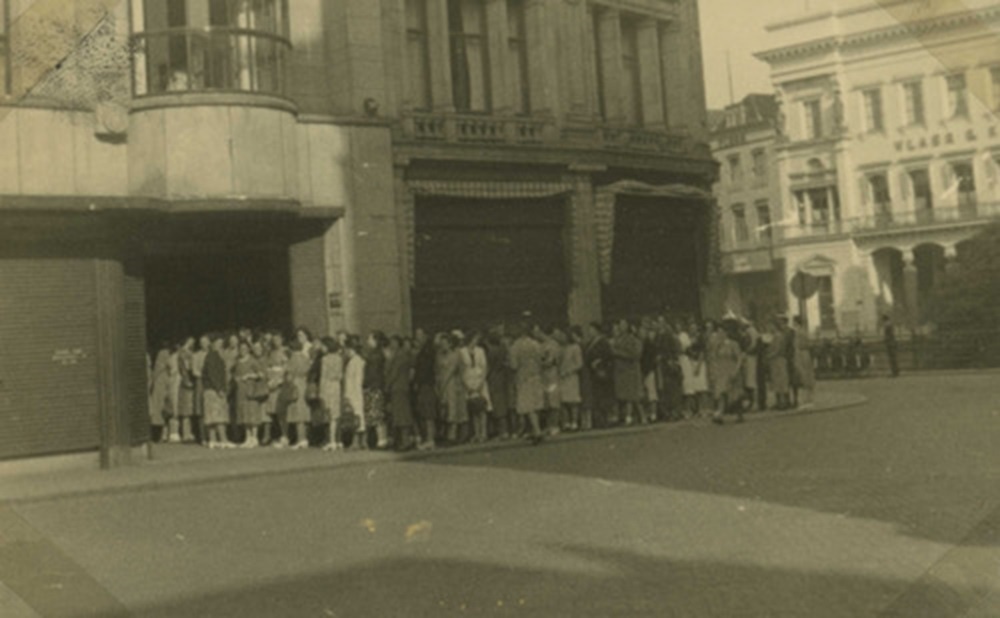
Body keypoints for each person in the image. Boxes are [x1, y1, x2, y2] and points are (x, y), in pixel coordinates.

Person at [508, 321, 545, 444]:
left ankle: (537, 431)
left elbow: (514, 365)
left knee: (528, 406)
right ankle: (536, 430)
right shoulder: (536, 344)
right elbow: (542, 359)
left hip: (523, 378)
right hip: (536, 376)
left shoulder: (515, 346)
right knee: (536, 404)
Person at [711, 319, 746, 425]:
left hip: (731, 369)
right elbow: (714, 358)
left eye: (721, 332)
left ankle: (739, 414)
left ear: (726, 333)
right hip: (721, 371)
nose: (719, 334)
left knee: (734, 394)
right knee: (722, 393)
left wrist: (737, 369)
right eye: (718, 332)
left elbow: (739, 357)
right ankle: (720, 414)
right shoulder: (718, 345)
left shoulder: (733, 344)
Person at [384, 335, 416, 450]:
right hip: (400, 387)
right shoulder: (400, 355)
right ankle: (402, 440)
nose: (391, 344)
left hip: (398, 388)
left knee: (401, 415)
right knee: (399, 415)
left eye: (393, 342)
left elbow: (393, 373)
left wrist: (387, 386)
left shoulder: (399, 356)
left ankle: (405, 441)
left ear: (398, 343)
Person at [460, 331, 491, 443]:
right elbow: (461, 370)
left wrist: (480, 384)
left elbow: (484, 367)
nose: (476, 341)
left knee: (482, 409)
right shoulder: (462, 352)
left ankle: (483, 433)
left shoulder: (480, 351)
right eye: (474, 339)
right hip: (468, 382)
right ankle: (477, 434)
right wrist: (467, 385)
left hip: (480, 381)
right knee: (473, 409)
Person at [234, 341, 266, 448]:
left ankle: (254, 437)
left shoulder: (253, 361)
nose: (243, 350)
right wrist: (237, 379)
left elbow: (261, 375)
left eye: (245, 348)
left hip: (251, 390)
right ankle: (247, 437)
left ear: (248, 349)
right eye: (241, 348)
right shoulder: (238, 362)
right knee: (244, 413)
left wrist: (249, 375)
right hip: (241, 390)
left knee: (252, 412)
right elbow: (235, 375)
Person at [436, 333, 466, 444]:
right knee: (444, 409)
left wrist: (443, 385)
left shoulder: (455, 354)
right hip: (442, 384)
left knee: (453, 409)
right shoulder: (439, 355)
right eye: (441, 343)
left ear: (450, 344)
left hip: (452, 384)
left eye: (445, 343)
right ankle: (445, 434)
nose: (443, 346)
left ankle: (452, 436)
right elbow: (437, 370)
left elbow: (452, 371)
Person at [611, 319, 643, 426]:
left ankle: (629, 417)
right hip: (619, 370)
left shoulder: (632, 339)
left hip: (629, 370)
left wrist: (617, 352)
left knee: (630, 395)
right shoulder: (617, 339)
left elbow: (635, 354)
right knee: (622, 396)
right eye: (620, 325)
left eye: (623, 325)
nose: (621, 327)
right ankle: (624, 416)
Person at [202, 334, 231, 449]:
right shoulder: (213, 356)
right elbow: (213, 374)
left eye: (221, 344)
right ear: (213, 344)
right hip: (214, 390)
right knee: (219, 416)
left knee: (211, 417)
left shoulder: (210, 356)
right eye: (218, 343)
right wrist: (219, 388)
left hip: (209, 389)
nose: (220, 346)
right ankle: (223, 440)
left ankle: (212, 440)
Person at [583, 322, 614, 429]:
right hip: (592, 372)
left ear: (596, 330)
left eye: (591, 329)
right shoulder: (590, 343)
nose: (589, 332)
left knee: (602, 396)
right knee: (596, 396)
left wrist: (600, 363)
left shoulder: (603, 342)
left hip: (601, 371)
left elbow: (608, 356)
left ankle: (604, 419)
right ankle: (598, 420)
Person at [412, 329, 438, 450]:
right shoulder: (424, 352)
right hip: (423, 385)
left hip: (427, 385)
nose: (417, 338)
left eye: (420, 336)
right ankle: (428, 438)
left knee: (428, 413)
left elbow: (425, 370)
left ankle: (430, 439)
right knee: (424, 413)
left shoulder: (427, 352)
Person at [363, 331, 389, 449]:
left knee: (376, 413)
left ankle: (381, 440)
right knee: (376, 413)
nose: (368, 341)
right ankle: (381, 439)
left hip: (374, 386)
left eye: (370, 339)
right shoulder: (379, 354)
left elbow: (372, 373)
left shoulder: (375, 356)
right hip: (377, 386)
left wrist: (366, 384)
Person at [484, 327, 511, 440]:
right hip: (503, 377)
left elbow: (489, 367)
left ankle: (502, 432)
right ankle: (505, 430)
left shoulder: (492, 352)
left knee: (497, 405)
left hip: (494, 378)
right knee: (502, 404)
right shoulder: (503, 349)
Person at [285, 339, 312, 450]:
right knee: (304, 413)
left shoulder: (292, 359)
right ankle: (305, 438)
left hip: (295, 385)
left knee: (297, 414)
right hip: (304, 384)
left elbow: (289, 375)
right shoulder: (305, 358)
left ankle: (300, 439)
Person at [319, 337, 345, 451]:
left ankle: (331, 441)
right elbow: (340, 375)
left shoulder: (325, 359)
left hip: (327, 386)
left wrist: (321, 391)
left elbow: (323, 375)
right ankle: (338, 440)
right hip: (336, 386)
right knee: (336, 414)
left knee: (329, 414)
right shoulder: (339, 358)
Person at [266, 333, 290, 448]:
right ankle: (279, 434)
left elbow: (286, 367)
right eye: (274, 339)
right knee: (274, 412)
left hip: (280, 383)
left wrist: (279, 380)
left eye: (278, 339)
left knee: (282, 411)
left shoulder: (285, 351)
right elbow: (269, 367)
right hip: (272, 383)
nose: (276, 342)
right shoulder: (270, 353)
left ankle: (285, 435)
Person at [538, 326, 563, 434]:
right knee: (546, 402)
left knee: (553, 401)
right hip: (543, 376)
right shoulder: (540, 345)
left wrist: (540, 363)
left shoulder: (553, 345)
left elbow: (551, 361)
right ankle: (549, 425)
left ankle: (555, 425)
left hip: (552, 374)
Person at [343, 337, 367, 450]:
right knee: (359, 416)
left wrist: (347, 395)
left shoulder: (353, 362)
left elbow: (353, 380)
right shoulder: (359, 361)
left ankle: (356, 442)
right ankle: (363, 442)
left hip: (353, 392)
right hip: (357, 392)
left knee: (355, 417)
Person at [558, 327, 583, 431]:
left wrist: (569, 371)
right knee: (563, 401)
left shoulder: (575, 347)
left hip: (571, 377)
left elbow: (579, 363)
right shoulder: (562, 348)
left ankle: (574, 422)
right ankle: (566, 422)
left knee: (573, 401)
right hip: (562, 378)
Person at [148, 342, 173, 443]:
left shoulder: (157, 373)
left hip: (159, 394)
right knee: (163, 413)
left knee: (160, 414)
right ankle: (162, 435)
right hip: (162, 394)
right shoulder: (163, 374)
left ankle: (161, 435)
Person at [767, 317, 791, 410]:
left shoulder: (778, 336)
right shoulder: (775, 336)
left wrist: (768, 356)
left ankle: (783, 402)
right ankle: (779, 402)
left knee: (780, 380)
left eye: (770, 326)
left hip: (778, 360)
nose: (769, 328)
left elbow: (777, 350)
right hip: (775, 361)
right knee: (776, 381)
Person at [793, 316, 816, 409]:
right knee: (806, 375)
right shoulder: (803, 331)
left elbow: (801, 344)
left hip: (801, 354)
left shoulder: (799, 332)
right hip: (803, 354)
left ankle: (806, 400)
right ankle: (808, 399)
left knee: (803, 375)